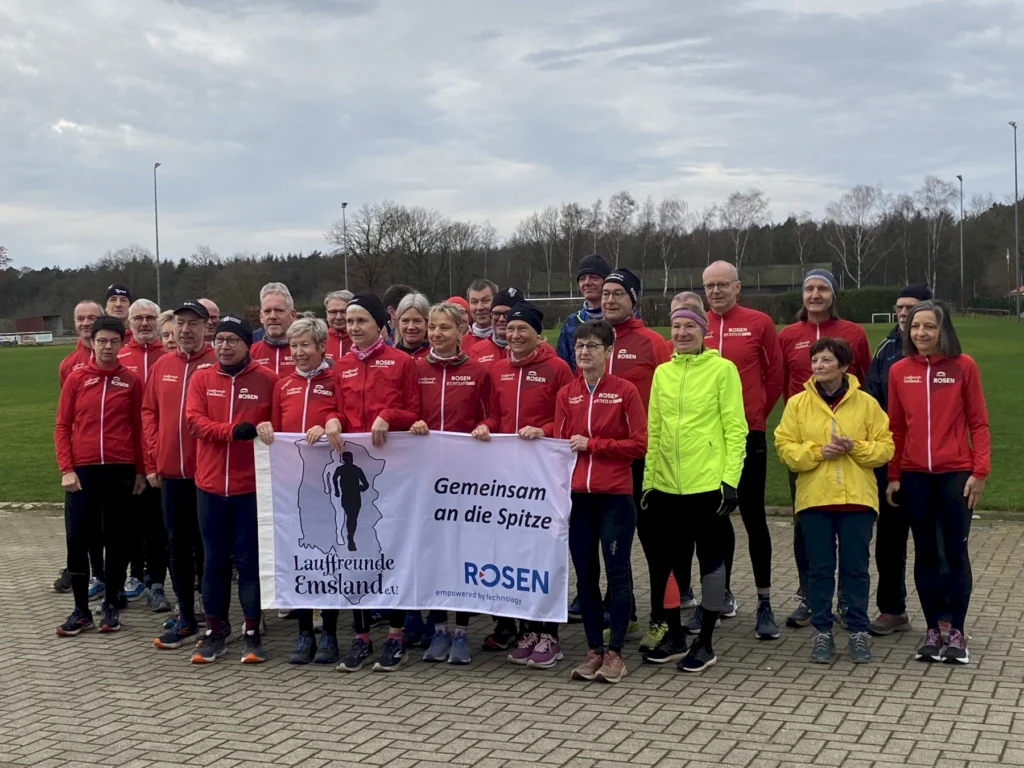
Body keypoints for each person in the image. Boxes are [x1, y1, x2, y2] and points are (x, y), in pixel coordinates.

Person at [640, 304, 746, 673]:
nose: (682, 333)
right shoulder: (662, 374)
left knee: (711, 565)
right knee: (668, 566)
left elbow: (736, 429)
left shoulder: (723, 370)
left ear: (703, 331)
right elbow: (654, 431)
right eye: (676, 326)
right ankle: (673, 635)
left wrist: (730, 481)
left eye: (689, 326)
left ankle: (705, 641)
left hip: (708, 486)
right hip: (668, 487)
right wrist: (649, 482)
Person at [775, 337, 894, 664]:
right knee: (820, 569)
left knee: (856, 569)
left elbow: (885, 448)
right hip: (815, 501)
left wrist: (854, 447)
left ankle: (857, 630)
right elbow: (785, 448)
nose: (818, 366)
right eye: (815, 361)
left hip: (857, 501)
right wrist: (818, 452)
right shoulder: (797, 404)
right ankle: (822, 632)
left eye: (826, 360)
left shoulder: (867, 404)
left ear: (844, 366)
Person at [886, 300, 990, 665]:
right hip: (915, 476)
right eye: (915, 327)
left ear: (942, 329)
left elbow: (978, 422)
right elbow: (895, 428)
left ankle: (957, 631)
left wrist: (979, 472)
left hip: (956, 474)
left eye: (928, 326)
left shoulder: (964, 367)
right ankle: (933, 630)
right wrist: (894, 475)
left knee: (956, 552)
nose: (921, 333)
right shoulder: (900, 371)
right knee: (926, 552)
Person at [472, 300, 574, 667]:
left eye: (522, 330)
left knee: (543, 553)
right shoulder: (498, 369)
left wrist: (543, 430)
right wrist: (487, 426)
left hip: (544, 476)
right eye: (510, 329)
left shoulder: (557, 368)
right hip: (507, 479)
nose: (514, 335)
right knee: (514, 553)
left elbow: (567, 419)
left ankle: (551, 635)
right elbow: (496, 415)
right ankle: (527, 627)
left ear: (537, 334)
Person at [324, 292, 421, 672]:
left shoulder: (401, 362)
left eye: (362, 320)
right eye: (349, 322)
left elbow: (414, 411)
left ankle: (396, 637)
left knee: (392, 549)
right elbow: (336, 407)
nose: (354, 328)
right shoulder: (342, 365)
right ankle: (361, 636)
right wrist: (332, 419)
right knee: (357, 551)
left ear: (381, 324)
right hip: (354, 467)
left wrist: (388, 415)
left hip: (393, 471)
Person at [778, 268, 871, 628]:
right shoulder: (787, 335)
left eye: (822, 289)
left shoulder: (854, 333)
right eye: (809, 289)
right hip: (804, 443)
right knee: (806, 524)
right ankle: (809, 596)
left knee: (852, 528)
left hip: (850, 447)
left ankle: (849, 599)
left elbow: (862, 382)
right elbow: (780, 381)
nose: (815, 295)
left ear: (833, 295)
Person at [557, 320, 647, 684]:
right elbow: (560, 444)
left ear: (609, 352)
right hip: (579, 499)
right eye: (580, 346)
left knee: (618, 573)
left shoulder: (624, 392)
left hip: (614, 498)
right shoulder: (568, 393)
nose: (585, 352)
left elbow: (639, 444)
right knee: (586, 577)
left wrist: (593, 445)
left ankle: (616, 653)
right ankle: (594, 649)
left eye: (593, 346)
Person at [186, 315, 278, 664]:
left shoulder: (268, 379)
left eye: (232, 340)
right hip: (209, 486)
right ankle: (214, 631)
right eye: (219, 340)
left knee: (249, 561)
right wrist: (231, 431)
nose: (224, 346)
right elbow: (194, 421)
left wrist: (261, 428)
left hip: (249, 488)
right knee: (214, 562)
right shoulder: (202, 378)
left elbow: (277, 423)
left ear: (246, 345)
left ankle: (252, 632)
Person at [700, 261, 784, 640]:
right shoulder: (698, 326)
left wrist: (754, 418)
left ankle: (765, 602)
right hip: (708, 440)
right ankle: (720, 598)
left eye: (722, 285)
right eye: (709, 286)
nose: (715, 292)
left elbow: (776, 376)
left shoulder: (759, 322)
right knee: (716, 520)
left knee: (753, 518)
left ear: (737, 286)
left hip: (747, 436)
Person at [254, 317, 343, 665]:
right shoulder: (283, 385)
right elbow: (275, 427)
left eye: (306, 345)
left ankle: (331, 634)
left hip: (328, 484)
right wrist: (266, 427)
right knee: (300, 556)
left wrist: (330, 422)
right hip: (292, 485)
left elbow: (347, 418)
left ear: (322, 347)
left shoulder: (335, 380)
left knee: (331, 558)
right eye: (294, 346)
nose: (299, 352)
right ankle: (304, 631)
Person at [408, 302, 492, 664]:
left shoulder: (478, 371)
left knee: (460, 554)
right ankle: (438, 629)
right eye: (432, 328)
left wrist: (485, 428)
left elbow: (492, 417)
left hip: (463, 479)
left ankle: (461, 632)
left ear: (462, 331)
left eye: (445, 328)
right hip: (424, 477)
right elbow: (406, 410)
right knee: (433, 554)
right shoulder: (415, 368)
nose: (437, 334)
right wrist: (411, 422)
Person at [54, 316, 147, 636]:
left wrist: (139, 469)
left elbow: (138, 428)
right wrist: (66, 468)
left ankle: (110, 604)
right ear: (91, 343)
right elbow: (62, 426)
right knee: (78, 541)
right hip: (83, 471)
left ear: (123, 344)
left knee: (117, 540)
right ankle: (80, 610)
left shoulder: (132, 381)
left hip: (120, 471)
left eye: (114, 341)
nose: (108, 347)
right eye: (102, 341)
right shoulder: (77, 379)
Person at [595, 268, 671, 648]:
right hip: (603, 461)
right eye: (606, 293)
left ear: (633, 299)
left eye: (618, 294)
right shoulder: (593, 341)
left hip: (644, 459)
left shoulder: (652, 343)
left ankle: (663, 617)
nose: (609, 300)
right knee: (614, 541)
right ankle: (626, 614)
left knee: (654, 540)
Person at [145, 300, 217, 651]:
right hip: (171, 472)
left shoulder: (217, 364)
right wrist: (155, 453)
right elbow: (149, 412)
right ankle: (185, 613)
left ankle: (211, 611)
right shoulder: (163, 365)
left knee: (207, 545)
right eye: (180, 322)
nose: (186, 329)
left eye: (193, 323)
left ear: (207, 328)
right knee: (176, 544)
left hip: (208, 473)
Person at [863, 284, 932, 636]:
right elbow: (870, 399)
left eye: (912, 307)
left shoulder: (948, 355)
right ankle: (892, 610)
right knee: (890, 539)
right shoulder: (886, 348)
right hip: (890, 460)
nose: (904, 314)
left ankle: (942, 617)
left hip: (932, 465)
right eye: (900, 308)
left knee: (930, 542)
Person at [118, 299, 169, 608]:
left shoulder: (169, 357)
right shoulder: (121, 357)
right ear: (130, 323)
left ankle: (158, 582)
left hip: (163, 455)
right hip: (128, 454)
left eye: (151, 317)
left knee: (158, 524)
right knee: (130, 522)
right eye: (139, 318)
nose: (146, 323)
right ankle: (134, 575)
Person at [52, 300, 105, 596]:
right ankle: (92, 573)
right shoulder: (68, 366)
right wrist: (67, 463)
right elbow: (67, 418)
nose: (86, 323)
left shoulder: (115, 352)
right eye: (81, 318)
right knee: (86, 523)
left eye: (92, 318)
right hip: (83, 457)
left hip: (115, 457)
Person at [556, 253, 612, 372]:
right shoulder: (571, 322)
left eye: (594, 277)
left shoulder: (622, 318)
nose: (587, 282)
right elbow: (562, 367)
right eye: (582, 278)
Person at [251, 282, 297, 376]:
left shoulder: (307, 351)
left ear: (292, 315)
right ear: (261, 317)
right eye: (267, 311)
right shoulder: (250, 353)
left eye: (279, 310)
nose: (272, 316)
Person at [468, 287, 519, 370]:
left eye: (508, 313)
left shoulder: (534, 350)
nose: (501, 319)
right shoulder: (477, 350)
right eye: (497, 313)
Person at [462, 279, 497, 352]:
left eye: (485, 301)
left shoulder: (508, 340)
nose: (480, 307)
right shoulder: (461, 344)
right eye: (474, 302)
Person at [394, 292, 431, 358]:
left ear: (427, 323)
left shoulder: (437, 357)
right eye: (405, 321)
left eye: (417, 321)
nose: (410, 327)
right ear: (398, 323)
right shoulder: (389, 358)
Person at [324, 290, 353, 361]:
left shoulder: (364, 340)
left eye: (343, 312)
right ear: (327, 314)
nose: (338, 317)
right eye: (333, 312)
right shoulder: (318, 340)